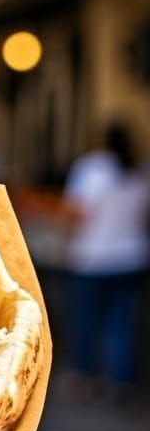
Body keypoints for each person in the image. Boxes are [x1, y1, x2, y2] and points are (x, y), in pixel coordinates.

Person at [62, 123, 150, 394]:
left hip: (93, 257)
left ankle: (86, 377)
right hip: (132, 257)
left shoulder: (91, 168)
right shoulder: (140, 170)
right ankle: (119, 380)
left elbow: (75, 213)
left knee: (86, 320)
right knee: (120, 323)